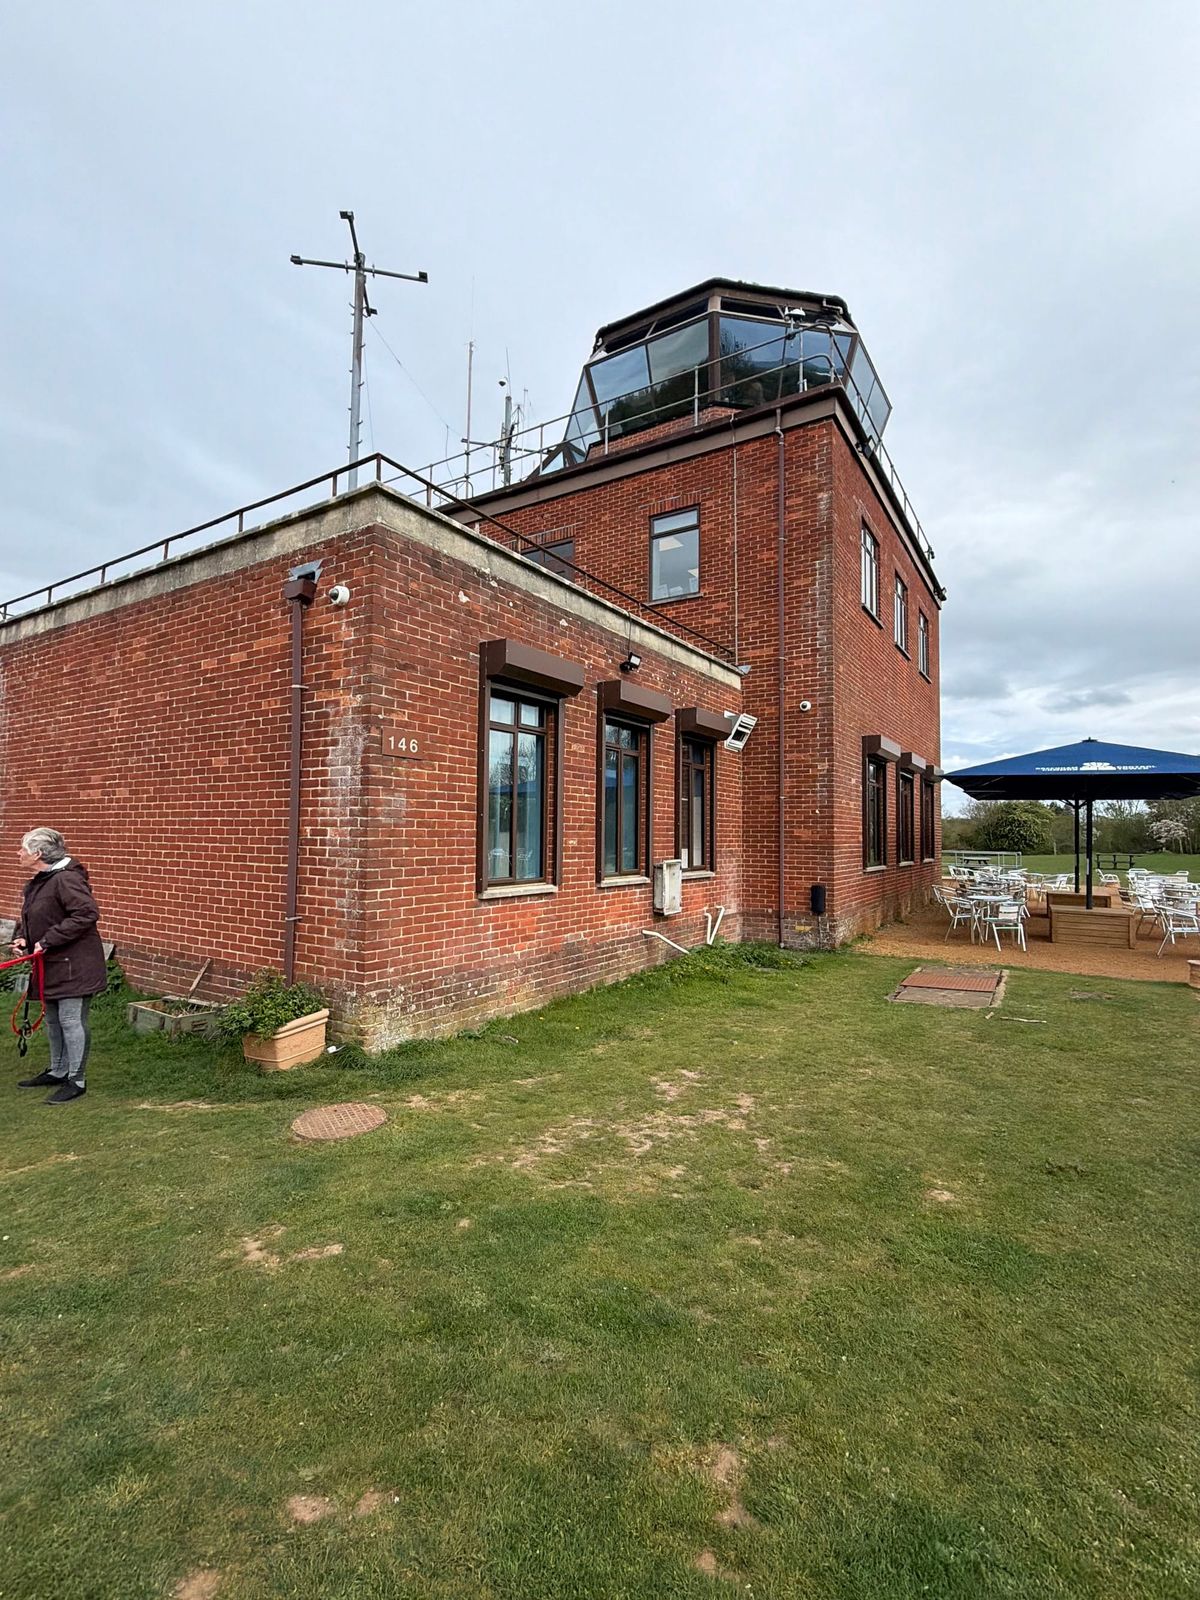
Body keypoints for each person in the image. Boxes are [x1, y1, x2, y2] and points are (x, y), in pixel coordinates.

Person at [10, 827, 107, 1103]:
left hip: (75, 963)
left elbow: (87, 913)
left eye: (23, 849)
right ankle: (58, 1070)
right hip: (52, 962)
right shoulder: (41, 880)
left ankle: (76, 1080)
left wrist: (48, 940)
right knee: (52, 1018)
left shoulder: (66, 879)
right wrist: (24, 940)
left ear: (38, 853)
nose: (18, 853)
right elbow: (39, 916)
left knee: (70, 1019)